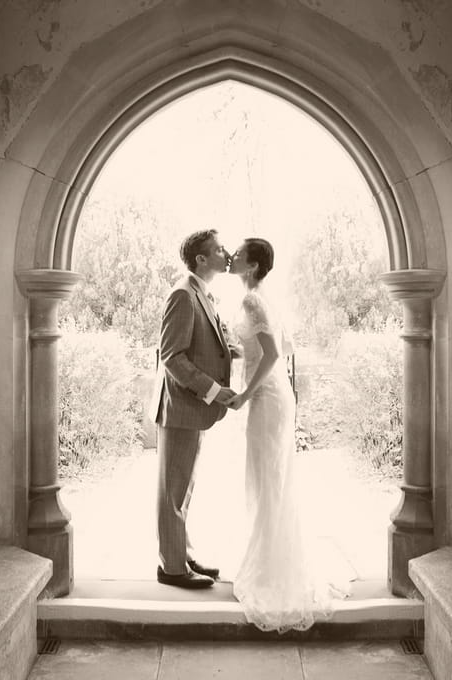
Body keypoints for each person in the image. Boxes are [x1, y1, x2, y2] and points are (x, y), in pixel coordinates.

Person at [227, 237, 350, 631]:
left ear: (253, 265)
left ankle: (271, 569)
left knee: (267, 479)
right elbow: (285, 344)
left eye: (239, 253)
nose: (231, 255)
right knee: (271, 479)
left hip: (266, 397)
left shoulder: (252, 300)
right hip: (277, 395)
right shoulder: (262, 297)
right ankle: (270, 556)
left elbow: (275, 353)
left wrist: (246, 392)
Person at [150, 229, 236, 589]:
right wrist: (215, 391)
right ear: (201, 259)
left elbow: (213, 343)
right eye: (219, 249)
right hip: (181, 406)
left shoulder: (203, 293)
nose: (226, 252)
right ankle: (171, 569)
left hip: (191, 409)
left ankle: (180, 554)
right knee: (173, 490)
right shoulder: (183, 295)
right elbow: (172, 357)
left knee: (183, 488)